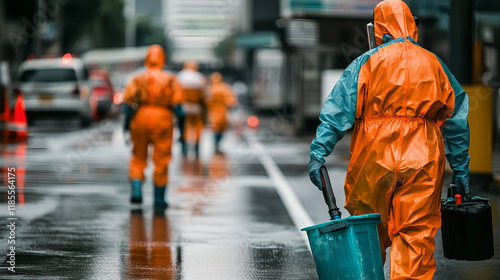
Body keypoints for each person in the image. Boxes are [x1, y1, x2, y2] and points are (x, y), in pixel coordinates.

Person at [308, 0, 470, 279]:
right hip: (424, 155)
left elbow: (337, 111)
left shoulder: (365, 63)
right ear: (412, 24)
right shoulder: (434, 64)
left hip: (374, 155)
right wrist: (461, 170)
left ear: (379, 29)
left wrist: (318, 154)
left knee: (367, 231)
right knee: (416, 233)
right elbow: (456, 120)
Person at [123, 44, 184, 207]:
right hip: (163, 119)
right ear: (162, 58)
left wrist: (126, 128)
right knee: (162, 159)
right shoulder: (171, 79)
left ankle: (136, 190)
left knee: (138, 157)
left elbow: (127, 105)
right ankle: (159, 199)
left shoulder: (136, 78)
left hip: (140, 118)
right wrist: (183, 133)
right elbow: (179, 109)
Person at [177, 61, 206, 157]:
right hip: (196, 107)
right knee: (197, 127)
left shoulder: (179, 77)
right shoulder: (200, 78)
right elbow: (204, 96)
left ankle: (184, 146)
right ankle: (196, 146)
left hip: (184, 107)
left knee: (184, 127)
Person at [206, 72, 238, 152]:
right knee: (220, 128)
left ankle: (216, 142)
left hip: (213, 111)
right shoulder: (224, 87)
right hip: (221, 111)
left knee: (216, 127)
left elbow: (205, 100)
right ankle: (217, 142)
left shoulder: (209, 88)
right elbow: (231, 100)